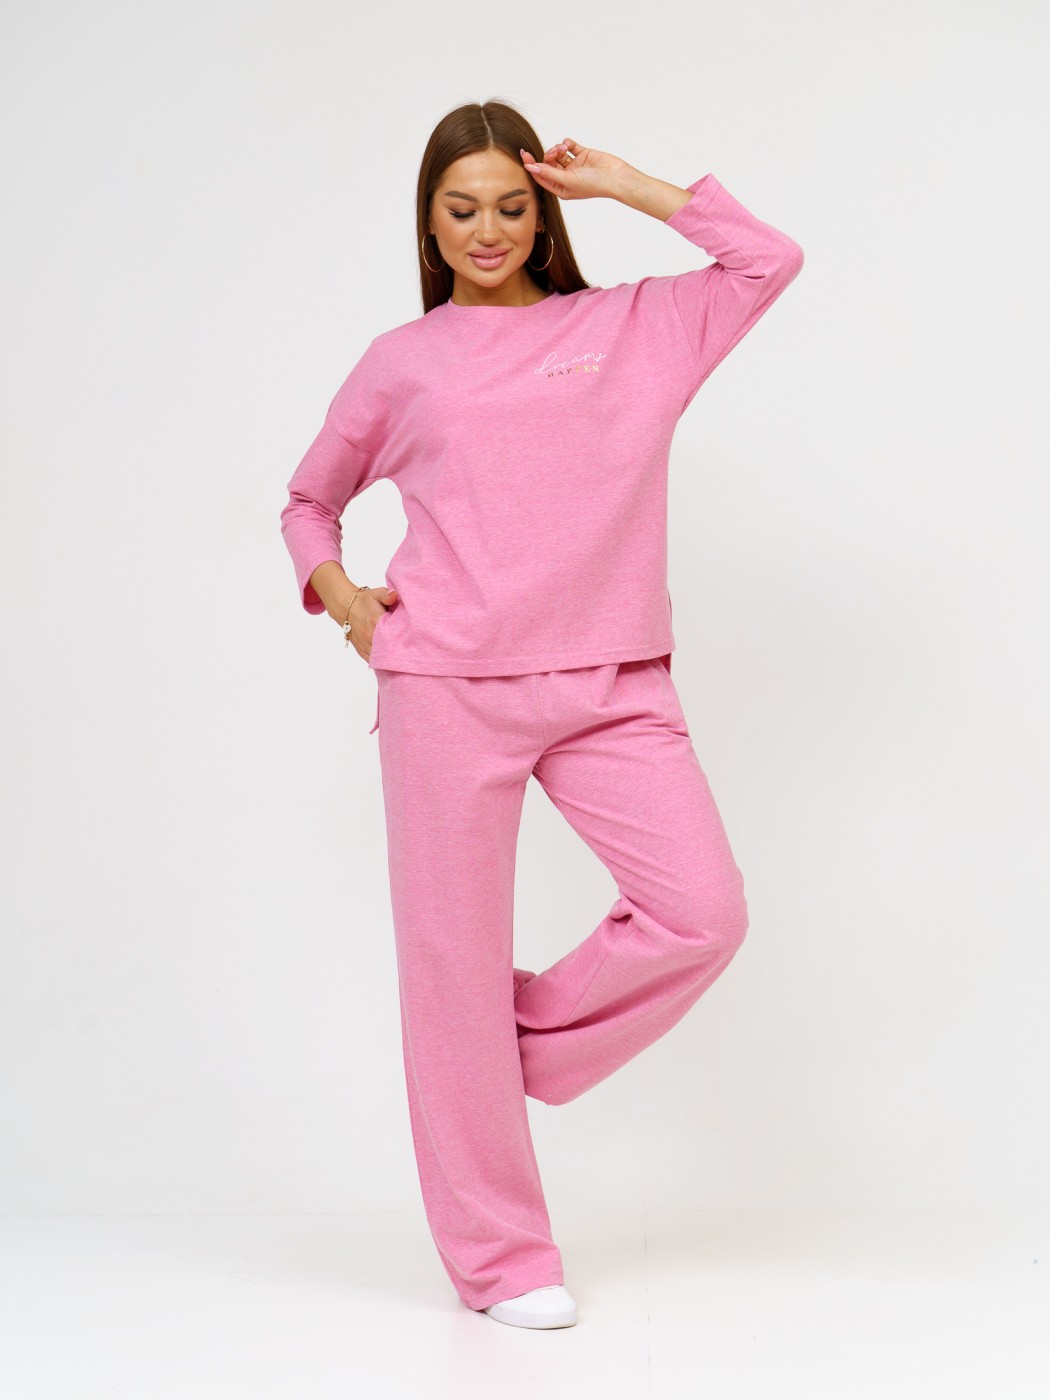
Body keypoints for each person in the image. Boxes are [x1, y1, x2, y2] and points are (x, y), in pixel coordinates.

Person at [279, 99, 804, 1330]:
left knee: (702, 911)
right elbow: (307, 501)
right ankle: (502, 1260)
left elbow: (767, 259)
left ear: (543, 209)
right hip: (446, 687)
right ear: (429, 222)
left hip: (614, 683)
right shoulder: (402, 362)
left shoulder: (633, 326)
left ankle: (498, 1045)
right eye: (460, 209)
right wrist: (349, 604)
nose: (488, 230)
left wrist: (628, 183)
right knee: (448, 960)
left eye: (511, 206)